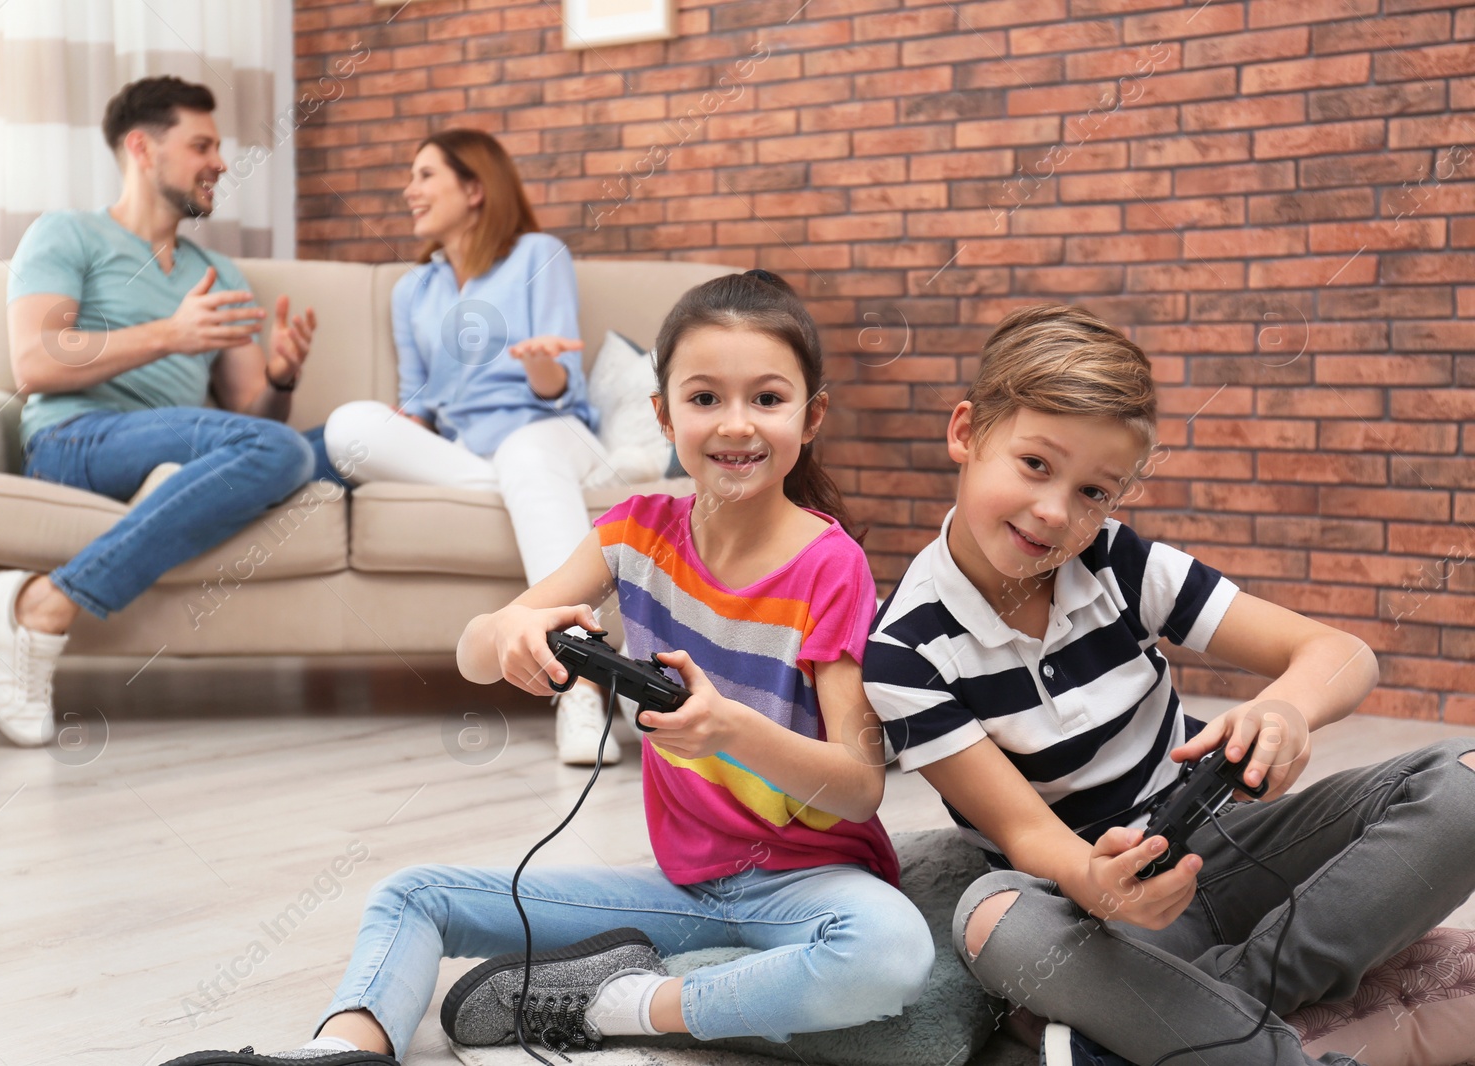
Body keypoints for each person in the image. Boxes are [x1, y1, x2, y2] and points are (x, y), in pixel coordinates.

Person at [166, 270, 933, 1066]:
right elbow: (476, 646)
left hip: (811, 892)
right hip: (685, 889)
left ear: (810, 419)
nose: (735, 425)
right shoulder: (638, 532)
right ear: (663, 414)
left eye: (766, 399)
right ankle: (342, 1053)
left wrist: (729, 731)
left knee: (891, 954)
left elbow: (860, 781)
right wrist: (510, 636)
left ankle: (617, 1003)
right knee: (412, 895)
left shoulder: (829, 565)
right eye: (704, 398)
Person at [862, 304, 1475, 1066]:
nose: (1055, 512)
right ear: (966, 432)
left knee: (1465, 782)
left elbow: (1340, 653)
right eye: (1035, 464)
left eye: (1095, 492)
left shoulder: (1119, 563)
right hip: (1097, 909)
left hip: (1228, 847)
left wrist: (1287, 707)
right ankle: (1237, 1038)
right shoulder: (904, 654)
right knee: (991, 922)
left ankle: (1186, 1016)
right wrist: (1097, 881)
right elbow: (1029, 837)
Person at [0, 75, 338, 747]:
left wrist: (283, 377)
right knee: (285, 455)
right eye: (202, 144)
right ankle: (44, 602)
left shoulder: (217, 272)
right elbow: (34, 362)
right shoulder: (69, 235)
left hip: (178, 441)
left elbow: (253, 415)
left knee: (342, 450)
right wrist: (168, 335)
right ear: (143, 149)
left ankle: (171, 485)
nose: (221, 162)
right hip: (75, 438)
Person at [322, 129, 622, 766]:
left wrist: (540, 364)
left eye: (427, 175)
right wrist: (397, 435)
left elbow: (557, 385)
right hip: (470, 456)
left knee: (525, 457)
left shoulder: (538, 254)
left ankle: (582, 688)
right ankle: (521, 496)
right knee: (349, 424)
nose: (411, 190)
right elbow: (416, 406)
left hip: (550, 431)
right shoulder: (413, 291)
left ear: (475, 188)